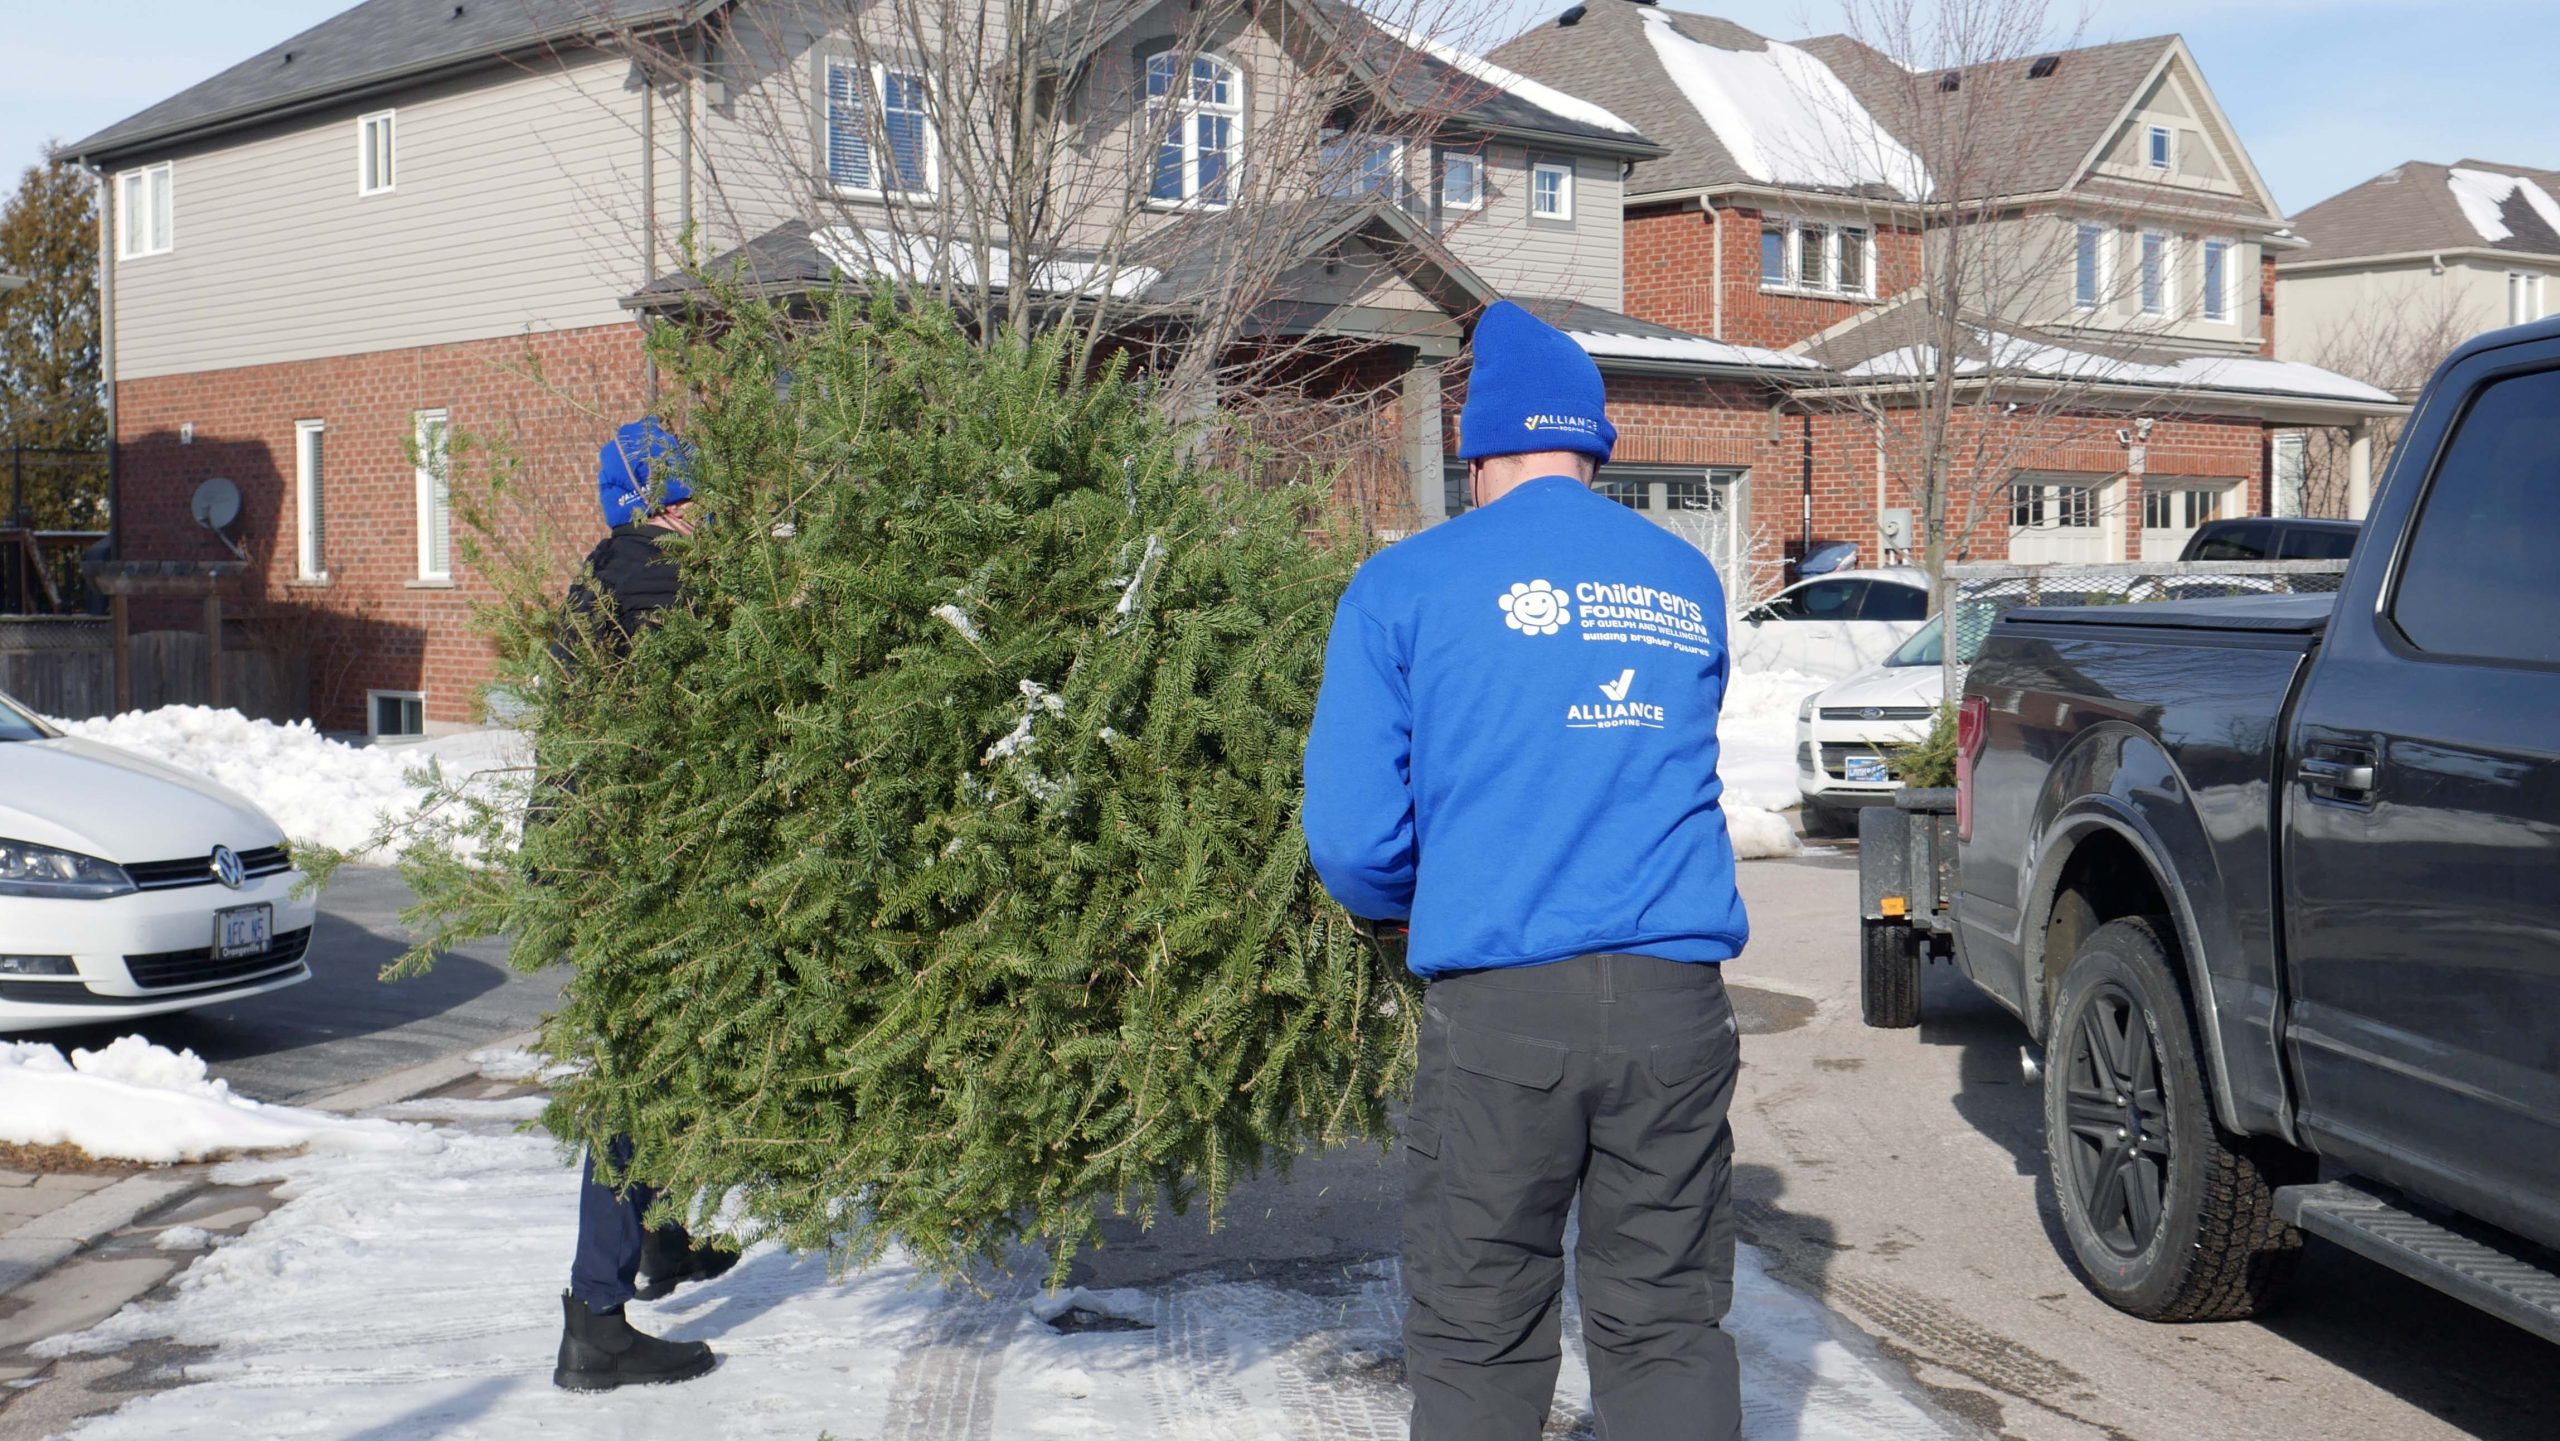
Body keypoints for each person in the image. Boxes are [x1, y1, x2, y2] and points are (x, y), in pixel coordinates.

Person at [1303, 301, 1749, 1440]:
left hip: (1503, 1007)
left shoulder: (1405, 583)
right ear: (1593, 444)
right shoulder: (1682, 577)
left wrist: (1408, 907)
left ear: (1477, 449)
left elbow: (1353, 837)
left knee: (1479, 1326)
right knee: (1666, 1321)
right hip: (1675, 1005)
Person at [549, 417, 740, 1392]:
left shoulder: (606, 575)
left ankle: (662, 1238)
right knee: (634, 1076)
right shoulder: (664, 588)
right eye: (688, 496)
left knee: (660, 1055)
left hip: (600, 860)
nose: (701, 511)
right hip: (640, 867)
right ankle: (594, 1320)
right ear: (659, 504)